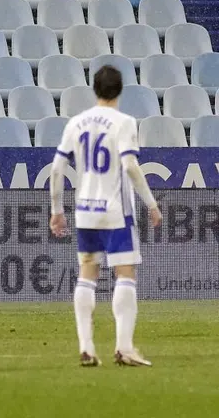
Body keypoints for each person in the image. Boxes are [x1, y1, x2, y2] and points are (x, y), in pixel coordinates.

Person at [49, 65, 162, 367]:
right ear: (120, 90)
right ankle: (124, 348)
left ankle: (86, 347)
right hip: (115, 212)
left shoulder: (76, 122)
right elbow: (130, 166)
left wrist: (57, 210)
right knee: (124, 274)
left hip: (85, 211)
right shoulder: (124, 122)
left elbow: (58, 169)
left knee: (87, 273)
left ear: (94, 88)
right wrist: (151, 203)